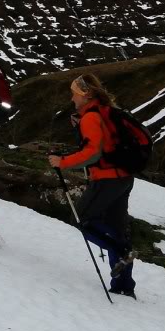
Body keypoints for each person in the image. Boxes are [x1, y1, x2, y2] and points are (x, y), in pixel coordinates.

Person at [48, 74, 138, 298]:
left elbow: (93, 152)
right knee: (116, 228)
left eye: (74, 93)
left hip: (106, 178)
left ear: (85, 94)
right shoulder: (106, 112)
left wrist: (63, 162)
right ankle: (123, 286)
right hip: (124, 178)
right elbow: (103, 143)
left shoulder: (91, 117)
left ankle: (122, 252)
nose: (72, 98)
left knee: (81, 220)